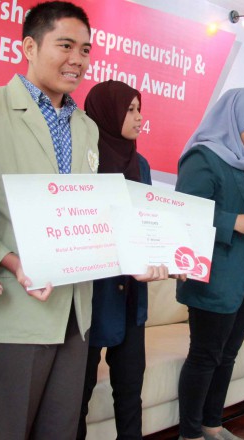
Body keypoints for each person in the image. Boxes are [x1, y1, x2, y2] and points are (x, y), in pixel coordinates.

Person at [0, 2, 109, 439]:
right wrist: (11, 260)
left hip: (74, 311)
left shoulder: (87, 127)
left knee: (60, 431)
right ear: (30, 47)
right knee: (8, 430)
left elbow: (89, 211)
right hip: (12, 308)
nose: (77, 59)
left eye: (85, 50)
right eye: (65, 45)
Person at [175, 88, 244, 440]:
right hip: (213, 275)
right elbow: (185, 212)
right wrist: (234, 222)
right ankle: (190, 432)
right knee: (205, 355)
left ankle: (212, 424)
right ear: (236, 119)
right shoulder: (202, 157)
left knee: (228, 354)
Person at [77, 80, 169, 440]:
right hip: (92, 298)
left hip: (132, 298)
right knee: (76, 397)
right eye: (129, 110)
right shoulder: (84, 161)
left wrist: (165, 254)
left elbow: (147, 223)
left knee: (130, 394)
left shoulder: (141, 165)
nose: (139, 117)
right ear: (107, 113)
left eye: (139, 109)